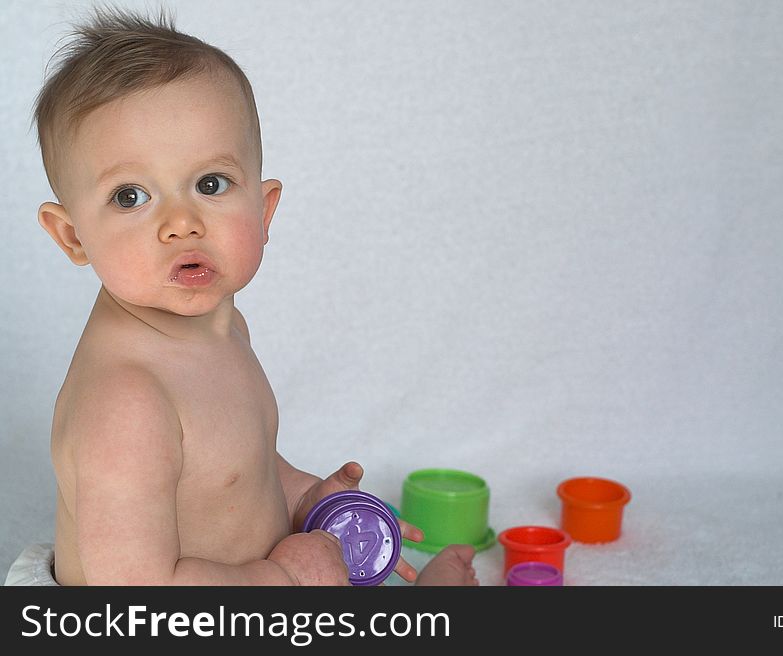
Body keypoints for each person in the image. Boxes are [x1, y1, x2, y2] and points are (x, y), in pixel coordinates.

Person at [7, 7, 478, 586]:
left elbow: (235, 470)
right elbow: (134, 595)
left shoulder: (224, 332)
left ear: (264, 209)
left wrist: (307, 499)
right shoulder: (126, 402)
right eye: (130, 196)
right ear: (73, 236)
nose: (181, 222)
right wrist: (287, 580)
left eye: (210, 184)